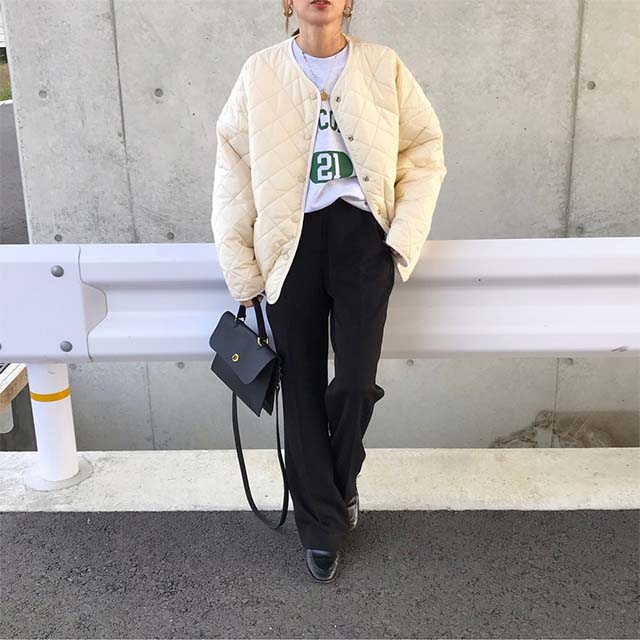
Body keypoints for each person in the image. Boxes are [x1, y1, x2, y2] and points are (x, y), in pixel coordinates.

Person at [211, 0, 447, 582]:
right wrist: (242, 266)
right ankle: (321, 527)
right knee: (302, 391)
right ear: (288, 4)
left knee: (356, 382)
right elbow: (233, 169)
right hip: (288, 245)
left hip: (362, 239)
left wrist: (400, 238)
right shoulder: (260, 71)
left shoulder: (383, 65)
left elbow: (423, 153)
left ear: (348, 4)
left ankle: (338, 487)